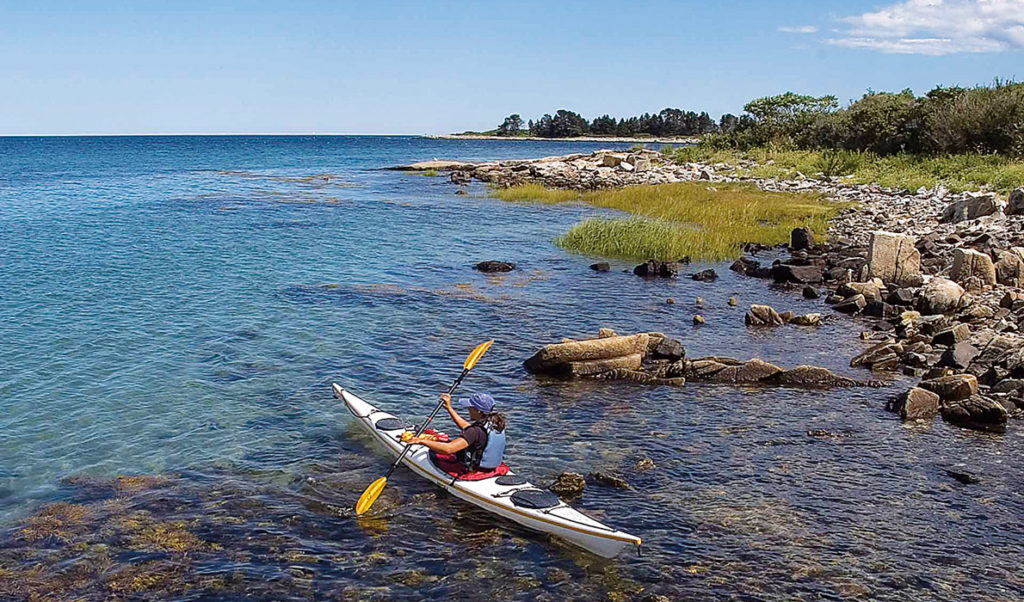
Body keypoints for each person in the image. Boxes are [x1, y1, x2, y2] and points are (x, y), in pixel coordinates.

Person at [405, 392, 506, 472]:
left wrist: (421, 441)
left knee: (433, 452)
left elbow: (448, 449)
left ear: (478, 411)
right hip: (491, 466)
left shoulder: (475, 431)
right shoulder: (496, 422)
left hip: (473, 469)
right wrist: (449, 408)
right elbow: (468, 428)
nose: (468, 409)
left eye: (470, 407)